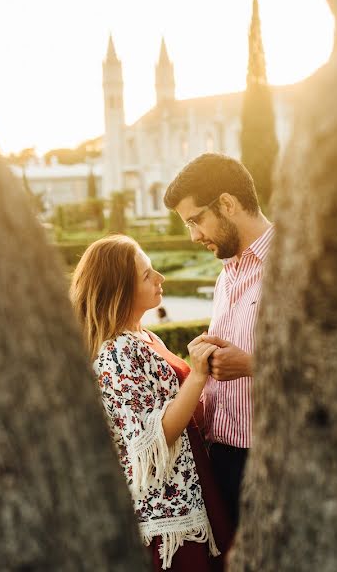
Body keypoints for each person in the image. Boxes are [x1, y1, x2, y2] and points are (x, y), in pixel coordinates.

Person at [70, 235, 233, 571]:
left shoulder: (145, 336)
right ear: (120, 289)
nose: (160, 278)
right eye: (147, 274)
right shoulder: (116, 352)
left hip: (195, 482)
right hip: (164, 510)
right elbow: (152, 440)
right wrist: (199, 373)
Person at [163, 153, 274, 528]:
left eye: (196, 220)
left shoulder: (296, 264)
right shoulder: (226, 276)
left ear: (227, 203)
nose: (193, 235)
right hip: (222, 461)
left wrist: (252, 365)